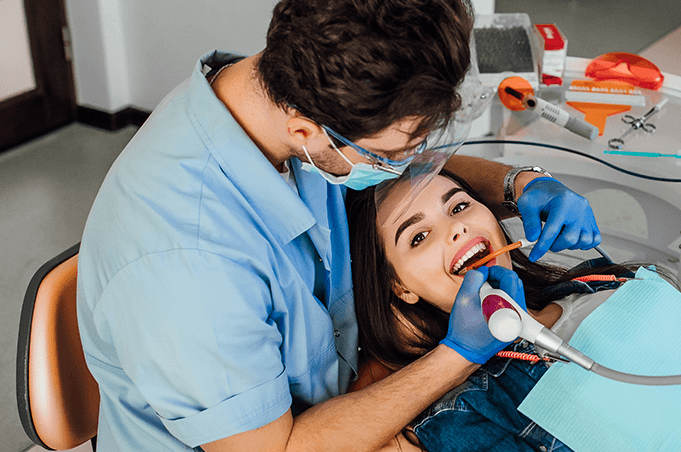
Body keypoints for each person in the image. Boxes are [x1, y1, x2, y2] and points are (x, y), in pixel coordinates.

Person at [75, 1, 604, 451]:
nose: (419, 163)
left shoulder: (282, 93)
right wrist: (458, 355)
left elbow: (405, 169)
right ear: (306, 131)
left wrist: (517, 184)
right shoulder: (187, 261)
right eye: (396, 154)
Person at [345, 171, 681, 452]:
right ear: (399, 287)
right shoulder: (460, 412)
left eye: (460, 205)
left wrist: (524, 180)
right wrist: (454, 353)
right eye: (418, 237)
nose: (456, 226)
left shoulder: (601, 280)